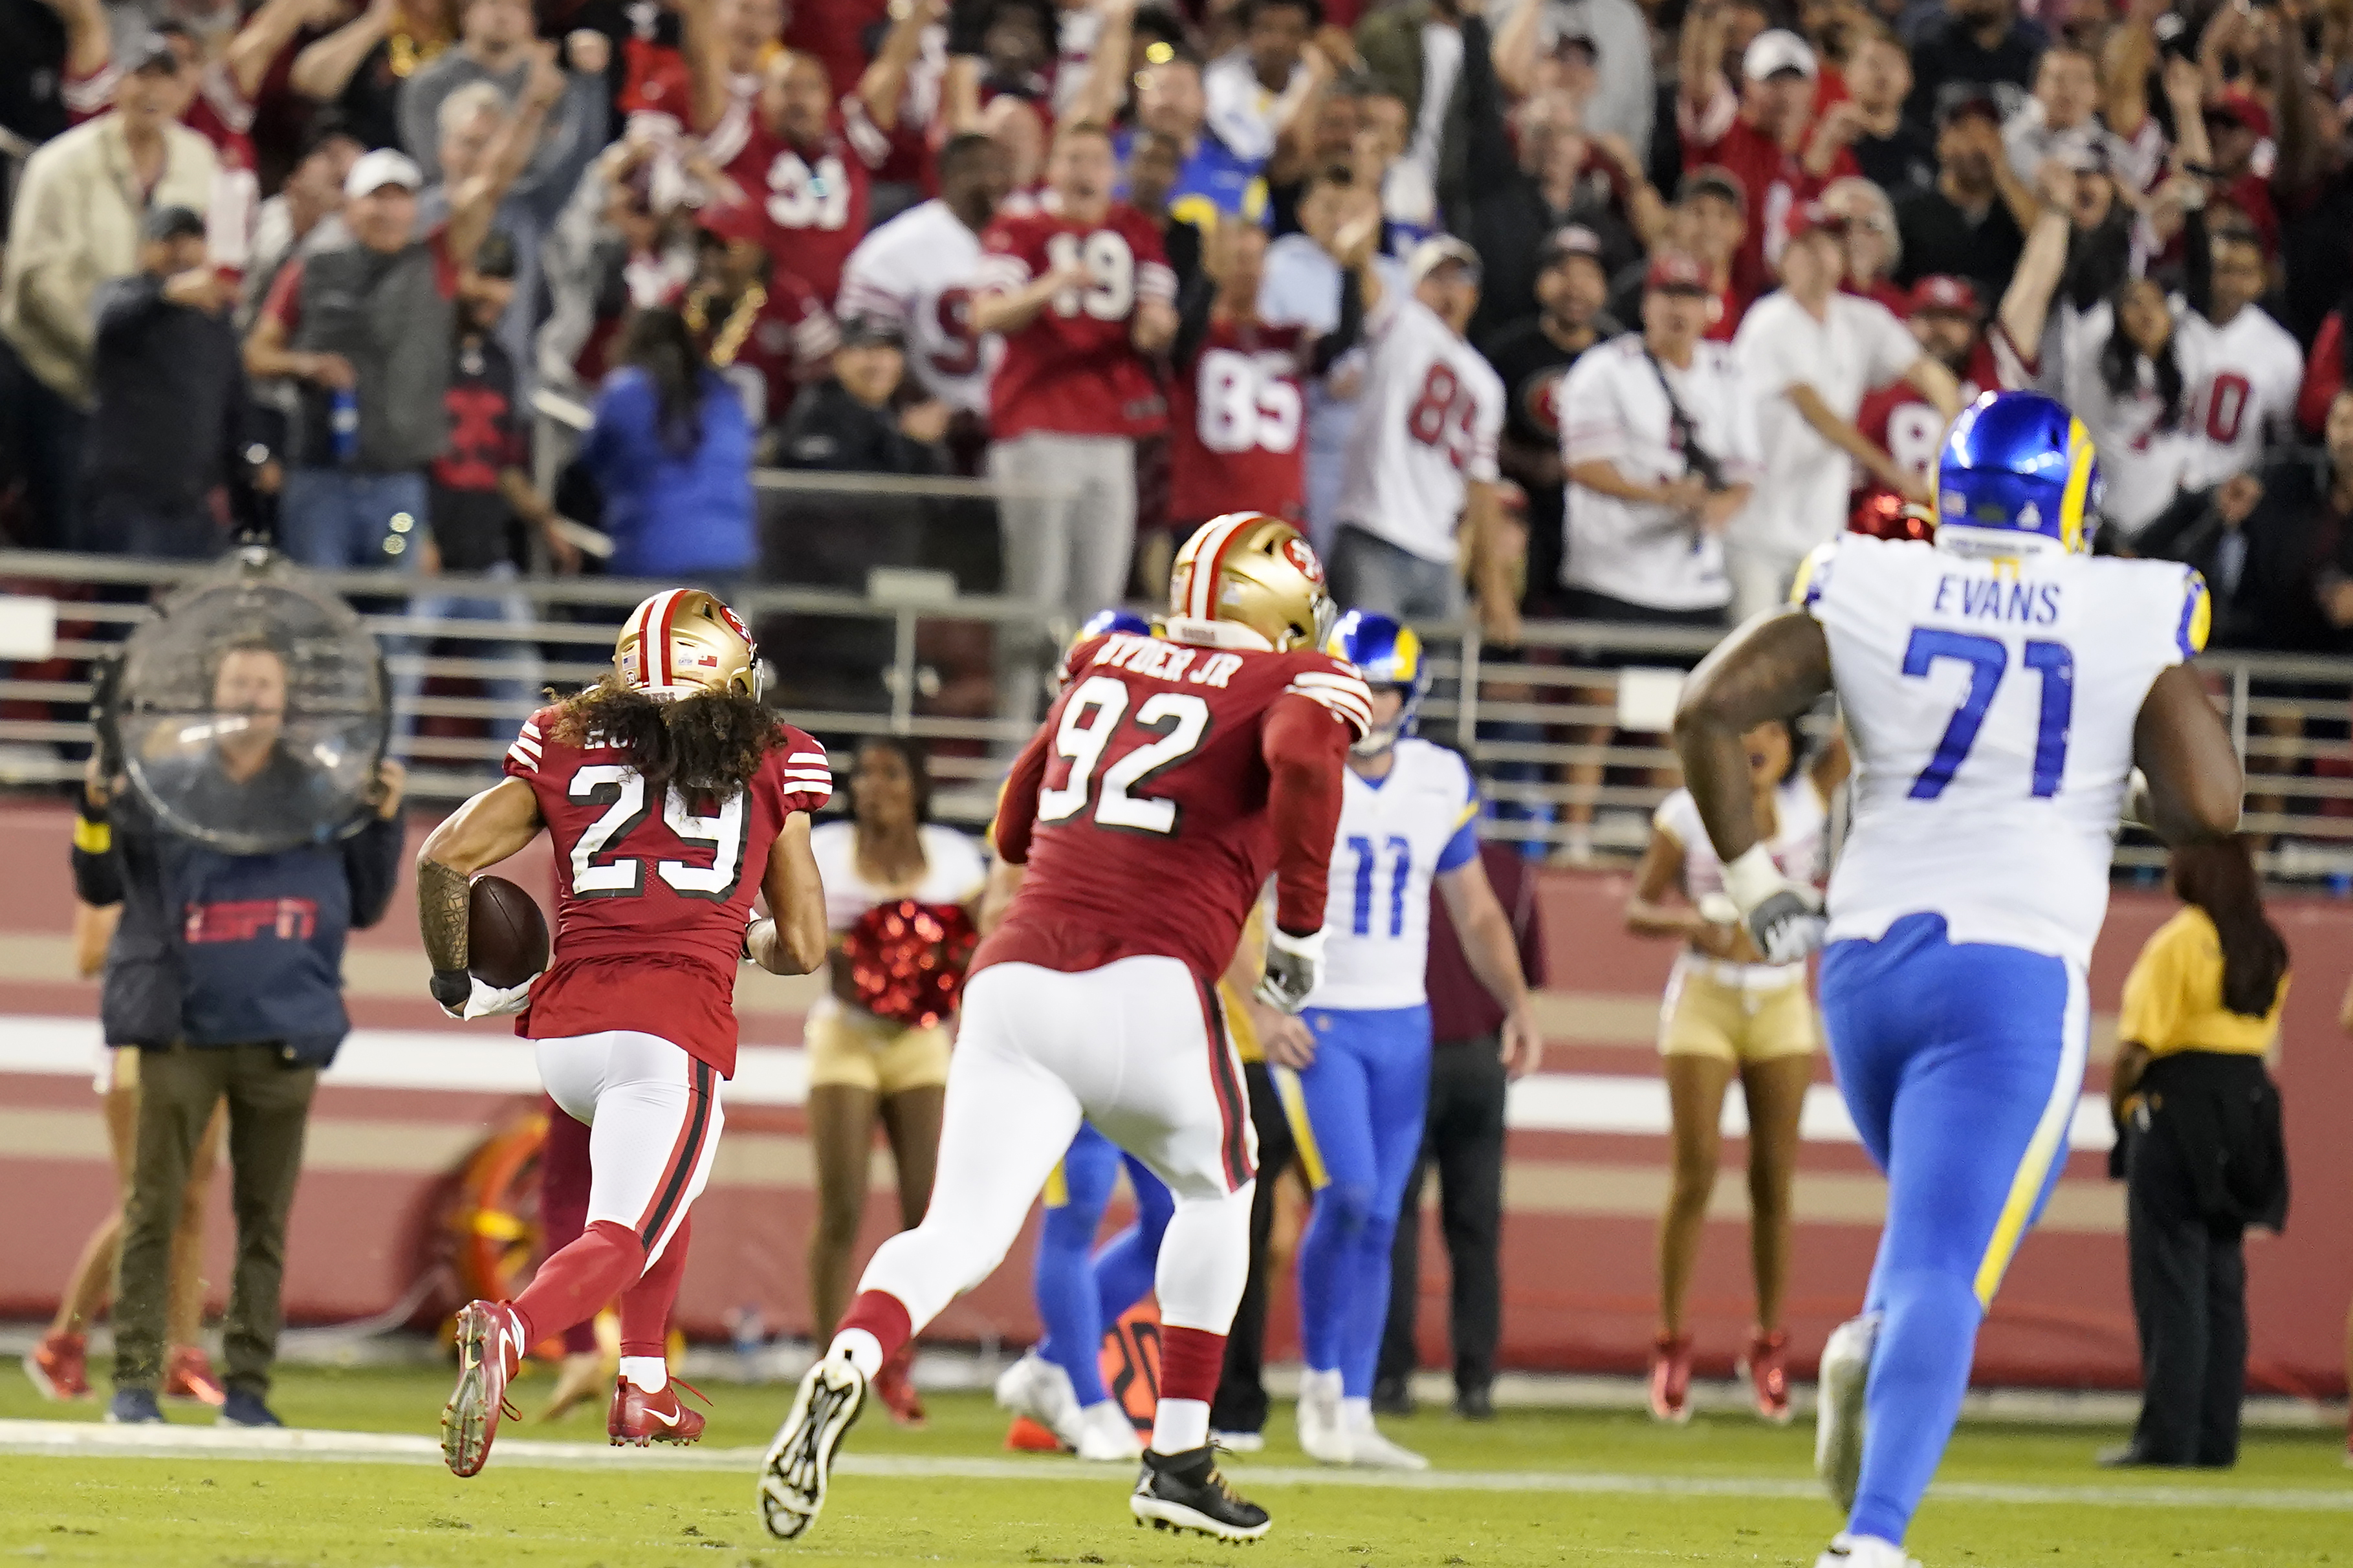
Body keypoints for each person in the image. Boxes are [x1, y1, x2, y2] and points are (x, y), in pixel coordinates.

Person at [1670, 389, 2243, 1568]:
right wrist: (2116, 791)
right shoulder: (2124, 598)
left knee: (1938, 1231)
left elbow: (1706, 708)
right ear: (2070, 494)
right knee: (1953, 1261)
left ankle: (1876, 1340)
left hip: (1867, 969)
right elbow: (2211, 805)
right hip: (2011, 972)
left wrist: (1754, 885)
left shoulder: (1875, 574)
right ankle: (1871, 1535)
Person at [758, 514, 1370, 1545]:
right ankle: (1177, 1455)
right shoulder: (1291, 685)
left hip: (1013, 979)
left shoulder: (1105, 660)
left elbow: (1011, 820)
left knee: (956, 1233)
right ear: (1286, 612)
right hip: (1148, 980)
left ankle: (855, 1352)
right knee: (1221, 1190)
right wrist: (1300, 930)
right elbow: (1306, 757)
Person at [420, 589, 831, 1476]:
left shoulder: (565, 744)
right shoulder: (773, 757)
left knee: (655, 1198)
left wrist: (457, 978)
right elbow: (803, 944)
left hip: (566, 1034)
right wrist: (744, 942)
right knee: (627, 1231)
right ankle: (513, 1333)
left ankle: (644, 1383)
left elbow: (443, 858)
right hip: (668, 1027)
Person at [83, 640, 409, 1427]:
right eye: (237, 681)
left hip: (285, 1034)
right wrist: (97, 813)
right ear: (213, 693)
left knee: (265, 1221)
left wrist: (384, 825)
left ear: (286, 699)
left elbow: (365, 905)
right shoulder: (169, 787)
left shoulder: (325, 793)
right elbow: (100, 882)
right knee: (153, 1208)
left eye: (263, 683)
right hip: (182, 1029)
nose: (250, 694)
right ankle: (134, 1383)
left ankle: (250, 1391)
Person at [1287, 611, 1542, 1468]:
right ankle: (1319, 1382)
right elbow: (1245, 890)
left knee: (1384, 1214)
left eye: (1384, 690)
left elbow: (1473, 907)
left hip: (1406, 1022)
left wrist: (1518, 1004)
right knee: (1349, 1197)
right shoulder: (1296, 762)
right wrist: (1261, 1003)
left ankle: (1353, 1409)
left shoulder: (1439, 777)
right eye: (1356, 688)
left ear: (1410, 695)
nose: (1369, 705)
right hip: (1323, 1016)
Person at [244, 55, 551, 572]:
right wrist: (306, 365)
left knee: (395, 619)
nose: (389, 211)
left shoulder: (437, 259)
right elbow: (256, 352)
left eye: (401, 198)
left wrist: (532, 109)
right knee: (323, 616)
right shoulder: (312, 267)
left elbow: (490, 184)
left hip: (400, 482)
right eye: (376, 199)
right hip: (321, 476)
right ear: (351, 206)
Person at [1626, 717, 1846, 1423]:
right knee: (1693, 1172)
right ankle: (1670, 1341)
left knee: (1773, 1178)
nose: (1755, 740)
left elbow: (1861, 718)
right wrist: (1690, 924)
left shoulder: (1812, 798)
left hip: (1780, 1000)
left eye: (1771, 730)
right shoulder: (1687, 812)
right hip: (1705, 997)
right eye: (1742, 726)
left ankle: (1768, 1342)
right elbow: (1638, 905)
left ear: (1788, 743)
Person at [802, 737, 985, 1426]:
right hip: (845, 1034)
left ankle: (896, 1360)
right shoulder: (828, 846)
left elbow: (981, 931)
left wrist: (942, 969)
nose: (871, 784)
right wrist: (850, 956)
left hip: (921, 1043)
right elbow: (801, 925)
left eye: (888, 773)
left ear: (917, 785)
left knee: (923, 1212)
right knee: (842, 1205)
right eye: (863, 772)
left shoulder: (951, 856)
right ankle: (829, 1366)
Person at [2101, 837, 2289, 1471]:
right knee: (2222, 1281)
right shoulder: (2266, 945)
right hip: (2251, 1110)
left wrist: (2120, 1112)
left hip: (2180, 1107)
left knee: (2171, 1281)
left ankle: (2166, 1439)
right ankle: (2215, 1440)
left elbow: (2134, 1049)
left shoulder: (2179, 940)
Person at [23, 840, 224, 1408]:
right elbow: (88, 953)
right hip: (140, 1039)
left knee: (191, 1199)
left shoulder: (218, 856)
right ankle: (64, 1337)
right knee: (149, 1199)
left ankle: (182, 1354)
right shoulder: (119, 860)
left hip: (209, 1037)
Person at [1, 36, 216, 550]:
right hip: (65, 379)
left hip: (156, 395)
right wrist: (109, 351)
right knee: (71, 535)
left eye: (168, 77)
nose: (154, 90)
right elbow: (40, 283)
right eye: (142, 75)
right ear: (117, 82)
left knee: (150, 546)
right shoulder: (59, 165)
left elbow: (215, 264)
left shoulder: (199, 160)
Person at [971, 121, 1177, 649]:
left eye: (1095, 161)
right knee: (1032, 597)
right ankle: (1013, 729)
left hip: (1110, 431)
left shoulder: (1136, 231)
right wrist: (1051, 286)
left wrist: (1155, 325)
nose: (1084, 172)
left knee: (1100, 604)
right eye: (1073, 159)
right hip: (1038, 425)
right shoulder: (1021, 230)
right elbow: (985, 314)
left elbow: (1160, 316)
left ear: (1113, 173)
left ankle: (1082, 724)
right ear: (1052, 169)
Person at [1369, 823, 1544, 1424]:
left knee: (1395, 1222)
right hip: (1478, 1056)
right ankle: (1475, 1382)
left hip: (1406, 1050)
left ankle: (1390, 1377)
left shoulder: (1393, 856)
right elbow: (1525, 966)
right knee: (1475, 1230)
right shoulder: (1510, 872)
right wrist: (1518, 1016)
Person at [1727, 204, 1963, 621]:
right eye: (1807, 245)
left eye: (1830, 244)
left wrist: (1952, 427)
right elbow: (1820, 415)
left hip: (1819, 533)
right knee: (1754, 669)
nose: (1821, 256)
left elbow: (1931, 375)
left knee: (1815, 667)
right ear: (1784, 258)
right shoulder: (1769, 322)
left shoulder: (1861, 320)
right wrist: (1895, 476)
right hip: (1755, 533)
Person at [395, 230, 553, 749]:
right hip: (425, 554)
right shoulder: (419, 349)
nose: (494, 293)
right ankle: (376, 811)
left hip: (486, 556)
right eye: (483, 276)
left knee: (522, 693)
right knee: (394, 692)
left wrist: (545, 522)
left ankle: (518, 818)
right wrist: (415, 533)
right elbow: (400, 454)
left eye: (504, 281)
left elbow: (502, 464)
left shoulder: (503, 362)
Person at [1329, 235, 1514, 641]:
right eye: (1437, 277)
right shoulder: (1402, 324)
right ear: (1414, 286)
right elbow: (1370, 288)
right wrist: (1358, 250)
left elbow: (1481, 487)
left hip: (1438, 552)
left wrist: (1493, 587)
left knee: (1442, 689)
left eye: (1459, 278)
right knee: (1368, 676)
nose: (1449, 289)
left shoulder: (1487, 384)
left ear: (1474, 294)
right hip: (1373, 532)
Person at [80, 206, 250, 560]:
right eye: (170, 241)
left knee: (195, 609)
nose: (182, 251)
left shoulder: (214, 318)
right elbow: (107, 321)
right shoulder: (122, 294)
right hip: (130, 492)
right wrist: (165, 295)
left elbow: (233, 393)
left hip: (195, 494)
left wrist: (254, 451)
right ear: (145, 248)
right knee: (126, 606)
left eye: (192, 241)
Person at [1480, 224, 1621, 615]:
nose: (1575, 288)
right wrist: (1530, 463)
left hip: (1599, 519)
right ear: (1540, 282)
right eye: (1562, 273)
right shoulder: (1508, 351)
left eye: (1589, 275)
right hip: (1523, 515)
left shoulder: (1622, 355)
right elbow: (1478, 435)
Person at [835, 133, 1016, 430]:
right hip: (933, 430)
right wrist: (913, 406)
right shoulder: (892, 249)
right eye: (978, 169)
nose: (994, 180)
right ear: (946, 176)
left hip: (1017, 420)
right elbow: (867, 352)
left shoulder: (1028, 237)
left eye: (1000, 169)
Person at [575, 306, 756, 583]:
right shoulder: (725, 395)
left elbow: (590, 461)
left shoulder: (623, 391)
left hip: (652, 555)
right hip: (731, 556)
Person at [1676, 17, 1854, 278]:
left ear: (1813, 89)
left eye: (1796, 81)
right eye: (1773, 81)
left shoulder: (1834, 155)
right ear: (1747, 84)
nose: (1785, 94)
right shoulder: (1726, 133)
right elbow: (1698, 79)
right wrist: (1706, 18)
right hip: (1720, 285)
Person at [1890, 90, 2035, 305]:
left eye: (1988, 133)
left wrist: (2004, 175)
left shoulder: (2014, 213)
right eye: (1965, 132)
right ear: (1942, 143)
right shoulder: (1908, 210)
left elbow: (2046, 248)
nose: (1978, 145)